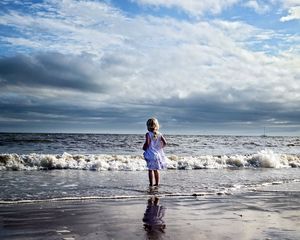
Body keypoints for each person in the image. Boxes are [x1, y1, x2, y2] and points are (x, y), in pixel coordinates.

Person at [143, 118, 167, 187]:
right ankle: (156, 184)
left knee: (150, 170)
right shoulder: (160, 134)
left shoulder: (148, 134)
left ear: (148, 126)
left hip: (150, 154)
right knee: (156, 170)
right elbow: (165, 143)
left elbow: (147, 144)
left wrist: (144, 148)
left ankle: (151, 184)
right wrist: (159, 148)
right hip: (157, 155)